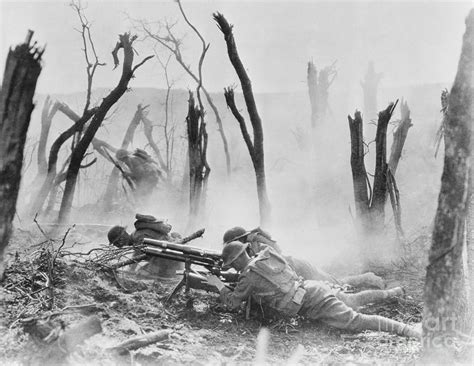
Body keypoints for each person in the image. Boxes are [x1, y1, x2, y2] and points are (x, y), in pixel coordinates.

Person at [207, 242, 420, 338]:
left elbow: (233, 302)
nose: (232, 267)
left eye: (232, 264)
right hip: (311, 288)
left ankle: (408, 330)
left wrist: (217, 284)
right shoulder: (264, 258)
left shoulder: (249, 276)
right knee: (352, 300)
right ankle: (391, 293)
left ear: (236, 261)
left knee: (355, 321)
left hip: (311, 301)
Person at [222, 226, 385, 289]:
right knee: (330, 284)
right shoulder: (248, 248)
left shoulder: (256, 240)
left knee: (335, 282)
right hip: (291, 272)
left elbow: (277, 254)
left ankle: (368, 278)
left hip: (295, 266)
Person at [107, 214, 183, 278]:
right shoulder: (136, 237)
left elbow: (136, 259)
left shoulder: (138, 237)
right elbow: (136, 258)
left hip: (171, 260)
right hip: (168, 258)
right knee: (141, 273)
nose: (116, 246)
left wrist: (128, 273)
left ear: (121, 239)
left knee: (143, 275)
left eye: (115, 243)